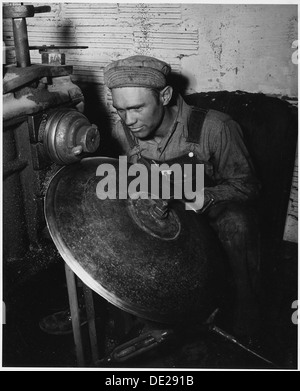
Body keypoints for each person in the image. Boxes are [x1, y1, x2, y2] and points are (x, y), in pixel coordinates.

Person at [103, 55, 262, 339]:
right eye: (120, 110)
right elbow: (124, 184)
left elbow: (248, 186)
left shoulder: (216, 128)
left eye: (137, 108)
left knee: (236, 222)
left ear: (164, 96)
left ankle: (245, 315)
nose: (129, 120)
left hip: (205, 222)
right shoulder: (122, 132)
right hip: (162, 225)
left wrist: (204, 197)